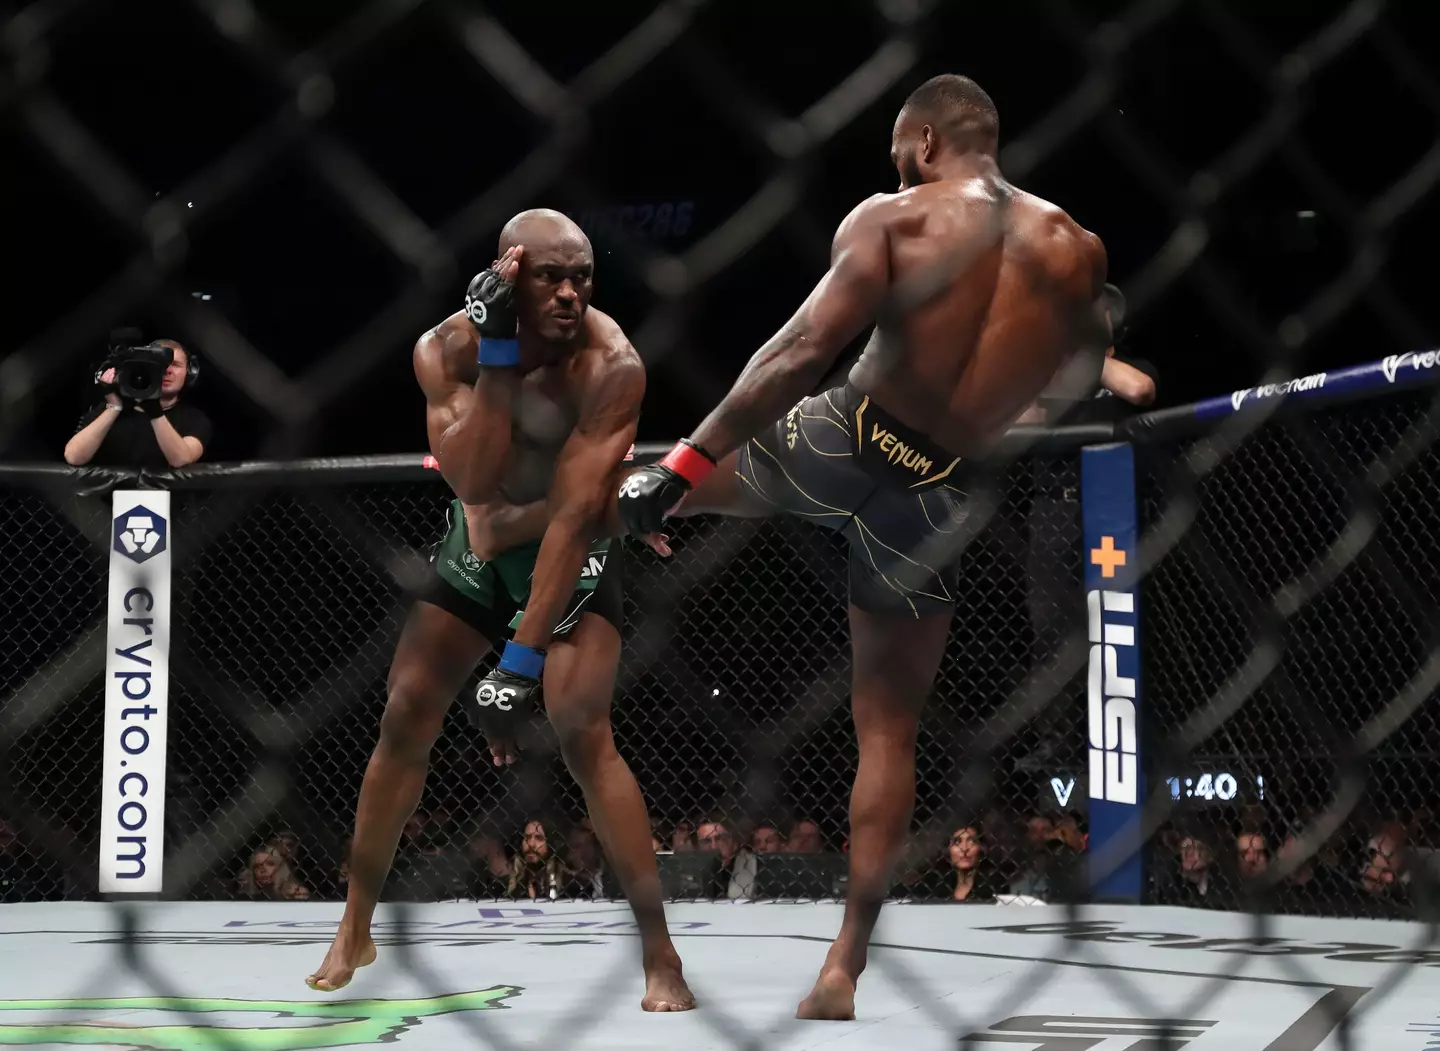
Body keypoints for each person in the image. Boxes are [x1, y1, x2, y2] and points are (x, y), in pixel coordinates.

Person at [617, 74, 1112, 1019]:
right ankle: (842, 967)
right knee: (887, 732)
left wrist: (683, 469)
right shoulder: (1077, 248)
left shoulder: (894, 217)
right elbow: (1077, 367)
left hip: (841, 438)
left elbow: (800, 349)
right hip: (937, 493)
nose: (895, 165)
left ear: (924, 141)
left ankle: (531, 610)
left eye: (897, 150)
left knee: (628, 493)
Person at [307, 209, 693, 1012]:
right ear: (509, 273)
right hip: (481, 543)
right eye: (550, 275)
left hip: (567, 543)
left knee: (582, 726)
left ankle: (662, 956)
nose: (568, 293)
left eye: (581, 276)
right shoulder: (445, 348)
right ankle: (355, 925)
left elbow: (575, 516)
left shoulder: (611, 364)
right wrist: (500, 358)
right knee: (405, 709)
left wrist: (518, 665)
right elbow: (475, 480)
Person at [63, 339, 210, 467]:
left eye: (175, 364)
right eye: (160, 364)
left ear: (189, 373)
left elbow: (180, 459)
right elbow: (74, 457)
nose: (167, 371)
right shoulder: (109, 411)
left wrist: (154, 410)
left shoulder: (194, 419)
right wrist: (114, 407)